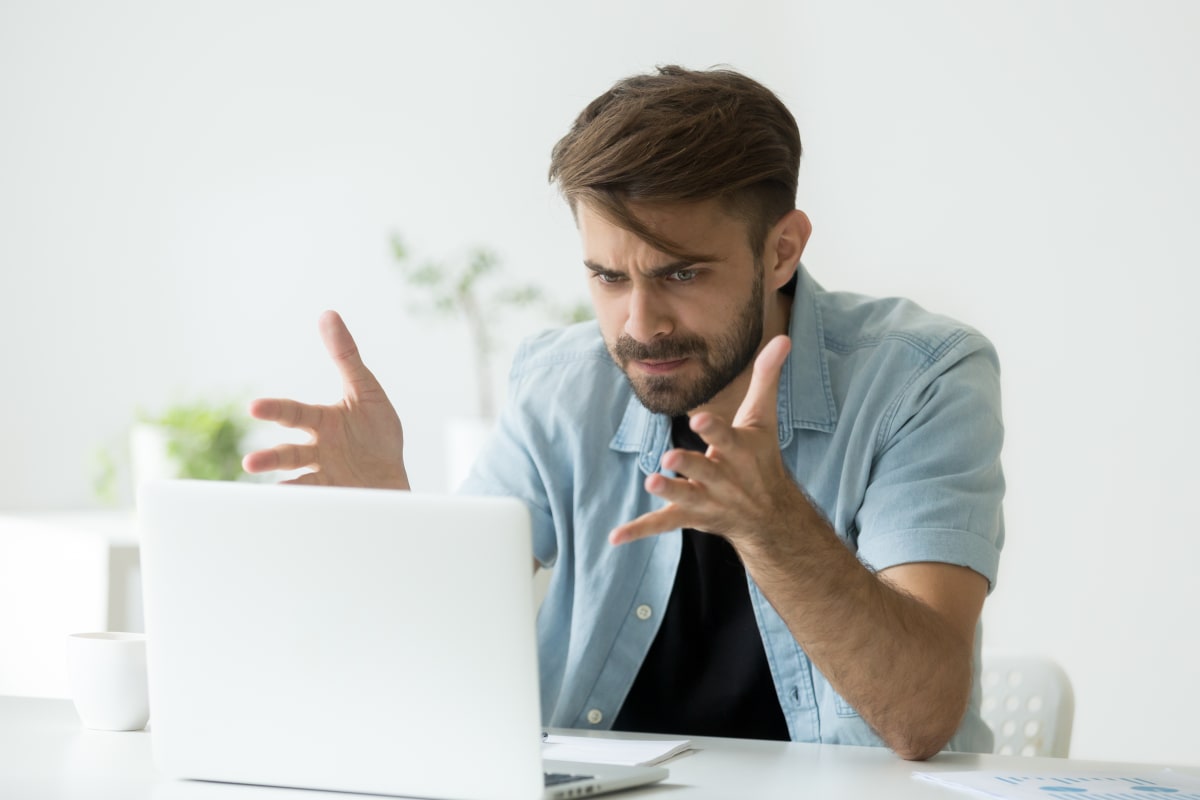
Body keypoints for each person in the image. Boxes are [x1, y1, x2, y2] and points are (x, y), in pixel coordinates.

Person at [243, 65, 1004, 761]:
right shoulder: (560, 385)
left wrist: (772, 525)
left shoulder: (920, 380)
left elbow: (920, 716)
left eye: (681, 272)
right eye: (608, 277)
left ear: (782, 251)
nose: (639, 324)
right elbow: (439, 674)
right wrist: (391, 521)